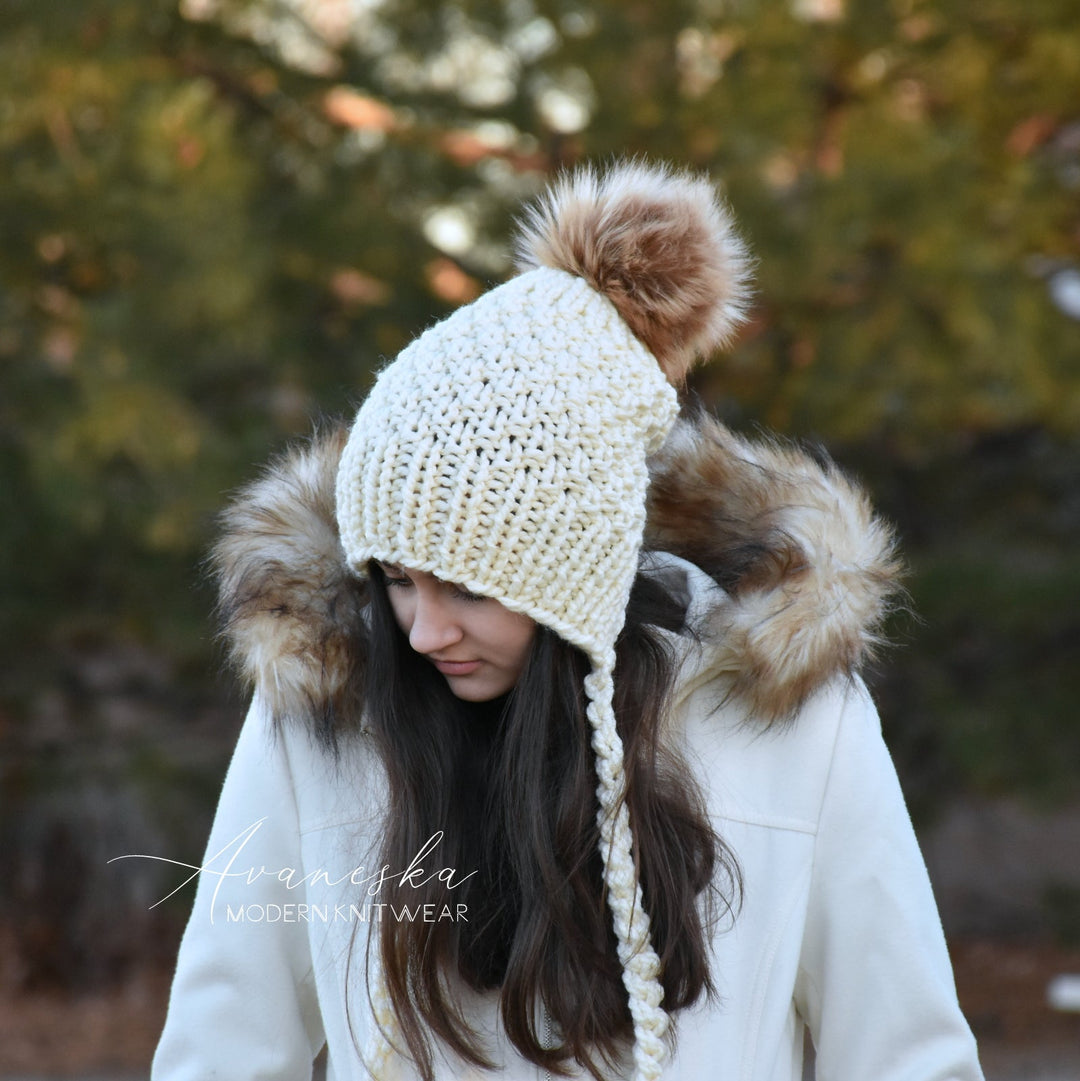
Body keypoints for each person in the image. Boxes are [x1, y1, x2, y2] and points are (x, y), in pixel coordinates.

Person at [152, 161, 984, 1081]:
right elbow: (221, 1052)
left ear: (576, 576)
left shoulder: (791, 725)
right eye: (394, 579)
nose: (424, 632)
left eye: (468, 587)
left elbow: (904, 1055)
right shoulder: (323, 729)